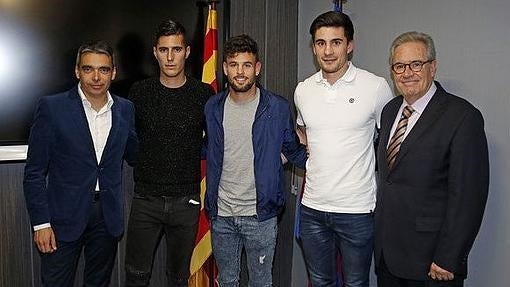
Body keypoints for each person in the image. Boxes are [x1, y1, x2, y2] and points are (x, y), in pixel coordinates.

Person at [374, 31, 489, 287]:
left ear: (433, 67)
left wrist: (449, 257)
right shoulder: (390, 111)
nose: (407, 73)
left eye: (416, 64)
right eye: (399, 66)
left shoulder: (463, 117)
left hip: (432, 263)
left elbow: (469, 197)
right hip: (388, 257)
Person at [23, 40, 138, 286]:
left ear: (113, 73)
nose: (96, 77)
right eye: (88, 69)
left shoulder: (125, 109)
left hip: (107, 218)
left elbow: (134, 155)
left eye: (104, 69)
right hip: (61, 219)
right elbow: (34, 172)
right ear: (77, 71)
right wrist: (41, 224)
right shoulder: (52, 108)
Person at [294, 11, 393, 287]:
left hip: (357, 210)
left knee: (356, 283)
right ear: (313, 47)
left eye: (336, 42)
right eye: (321, 43)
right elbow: (303, 132)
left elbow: (391, 139)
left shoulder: (375, 87)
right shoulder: (303, 90)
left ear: (349, 45)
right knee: (320, 281)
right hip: (312, 208)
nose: (328, 51)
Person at [204, 34, 307, 287]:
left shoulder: (277, 108)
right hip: (222, 214)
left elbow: (292, 150)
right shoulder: (212, 107)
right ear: (225, 68)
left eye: (247, 65)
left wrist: (320, 151)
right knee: (226, 280)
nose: (240, 72)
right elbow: (208, 150)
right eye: (234, 64)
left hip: (261, 215)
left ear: (257, 68)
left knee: (261, 282)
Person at [124, 19, 214, 286]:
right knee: (136, 276)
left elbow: (214, 142)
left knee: (178, 278)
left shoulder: (203, 93)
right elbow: (130, 140)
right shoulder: (139, 92)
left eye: (176, 49)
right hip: (145, 200)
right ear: (155, 52)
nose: (170, 57)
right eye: (164, 50)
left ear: (187, 52)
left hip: (186, 201)